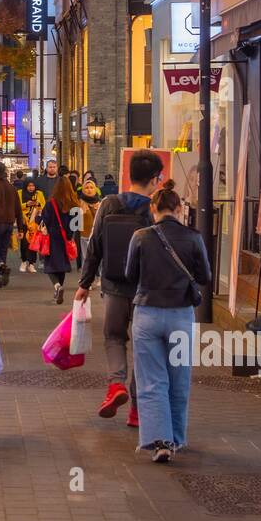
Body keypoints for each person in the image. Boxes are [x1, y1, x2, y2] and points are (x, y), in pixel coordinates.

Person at [75, 149, 165, 428]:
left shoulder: (109, 203)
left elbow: (95, 246)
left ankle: (116, 385)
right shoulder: (153, 209)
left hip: (113, 285)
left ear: (128, 175)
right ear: (154, 179)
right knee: (143, 344)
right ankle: (138, 410)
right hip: (146, 290)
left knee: (114, 337)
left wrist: (84, 283)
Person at [126, 180, 211, 463]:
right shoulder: (193, 237)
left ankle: (159, 442)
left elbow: (130, 275)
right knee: (179, 379)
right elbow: (205, 278)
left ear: (153, 209)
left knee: (151, 380)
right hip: (181, 316)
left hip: (147, 315)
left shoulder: (140, 236)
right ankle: (177, 439)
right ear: (178, 209)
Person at [37, 174, 78, 304]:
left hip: (52, 238)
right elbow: (77, 224)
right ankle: (59, 289)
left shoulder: (51, 204)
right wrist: (70, 236)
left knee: (50, 266)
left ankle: (57, 287)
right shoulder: (74, 203)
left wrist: (38, 217)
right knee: (61, 266)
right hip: (66, 239)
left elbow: (45, 221)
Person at [0, 161, 25, 288]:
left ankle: (1, 266)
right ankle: (0, 278)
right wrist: (20, 228)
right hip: (9, 223)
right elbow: (18, 209)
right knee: (3, 249)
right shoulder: (12, 188)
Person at [18, 178, 45, 272]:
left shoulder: (39, 194)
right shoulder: (20, 193)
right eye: (29, 186)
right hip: (23, 221)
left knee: (33, 243)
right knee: (24, 243)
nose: (31, 188)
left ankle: (31, 263)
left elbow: (43, 205)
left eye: (33, 186)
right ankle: (24, 261)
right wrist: (26, 204)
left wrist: (37, 204)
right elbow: (17, 206)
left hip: (34, 222)